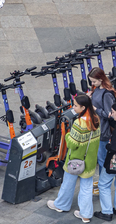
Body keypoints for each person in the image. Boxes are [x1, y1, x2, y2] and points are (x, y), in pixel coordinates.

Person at [47, 94, 100, 223]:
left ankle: (61, 205)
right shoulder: (96, 119)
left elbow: (72, 144)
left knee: (68, 184)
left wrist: (67, 135)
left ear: (83, 107)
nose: (73, 107)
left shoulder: (79, 123)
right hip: (90, 160)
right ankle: (86, 214)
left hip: (75, 161)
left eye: (76, 105)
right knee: (86, 188)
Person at [88, 68, 116, 189]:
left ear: (100, 79)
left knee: (102, 160)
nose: (92, 84)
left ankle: (104, 185)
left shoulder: (107, 93)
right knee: (100, 159)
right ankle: (102, 183)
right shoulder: (97, 90)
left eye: (94, 81)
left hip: (102, 131)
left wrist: (95, 109)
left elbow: (108, 114)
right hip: (97, 129)